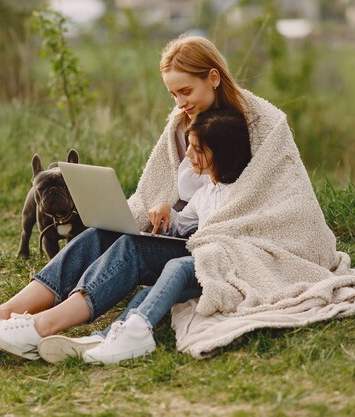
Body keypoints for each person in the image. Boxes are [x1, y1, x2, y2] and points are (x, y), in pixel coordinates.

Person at [0, 35, 251, 361]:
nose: (179, 103)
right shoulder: (181, 125)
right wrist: (153, 211)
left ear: (213, 78)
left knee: (131, 247)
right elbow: (155, 190)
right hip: (179, 233)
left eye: (185, 91)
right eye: (173, 94)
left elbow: (270, 200)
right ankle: (4, 313)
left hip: (212, 249)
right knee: (100, 234)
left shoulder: (253, 123)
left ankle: (39, 328)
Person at [79, 108, 251, 364]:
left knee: (178, 265)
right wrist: (166, 211)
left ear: (221, 153)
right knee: (146, 294)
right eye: (189, 147)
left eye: (198, 149)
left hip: (224, 268)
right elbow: (182, 224)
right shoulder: (204, 194)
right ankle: (106, 337)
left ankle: (139, 332)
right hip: (203, 272)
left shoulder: (241, 191)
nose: (189, 155)